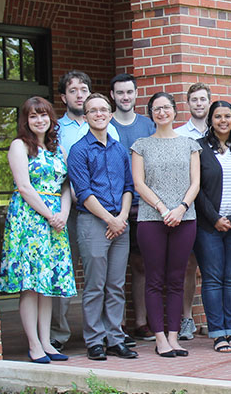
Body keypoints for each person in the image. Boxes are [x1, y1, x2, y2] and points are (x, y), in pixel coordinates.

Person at [0, 96, 75, 363]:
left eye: (43, 115)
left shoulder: (58, 149)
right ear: (26, 121)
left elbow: (66, 185)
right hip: (30, 220)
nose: (39, 120)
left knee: (48, 283)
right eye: (33, 116)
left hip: (56, 219)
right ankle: (34, 344)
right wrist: (50, 214)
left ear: (51, 118)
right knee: (31, 284)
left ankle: (47, 342)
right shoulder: (19, 146)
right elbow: (24, 187)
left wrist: (63, 213)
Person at [51, 70, 120, 352]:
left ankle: (107, 335)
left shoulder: (109, 128)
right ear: (64, 96)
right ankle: (58, 333)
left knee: (106, 278)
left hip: (106, 213)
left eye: (83, 89)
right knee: (67, 272)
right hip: (67, 211)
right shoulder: (57, 129)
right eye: (73, 90)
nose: (79, 95)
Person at [68, 93, 138, 360]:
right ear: (85, 117)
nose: (99, 114)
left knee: (116, 285)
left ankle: (115, 338)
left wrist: (120, 218)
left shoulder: (120, 149)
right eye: (93, 111)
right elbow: (83, 192)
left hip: (120, 222)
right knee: (95, 284)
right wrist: (110, 220)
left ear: (110, 115)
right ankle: (95, 340)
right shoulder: (79, 150)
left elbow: (128, 187)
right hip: (93, 222)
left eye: (103, 110)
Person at [131, 92, 201, 357]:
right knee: (154, 279)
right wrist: (162, 208)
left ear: (174, 111)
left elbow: (195, 182)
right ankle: (159, 338)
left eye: (166, 108)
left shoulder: (189, 144)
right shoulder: (141, 145)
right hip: (152, 219)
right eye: (157, 109)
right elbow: (139, 183)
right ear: (151, 113)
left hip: (185, 218)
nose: (162, 112)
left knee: (177, 279)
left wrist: (181, 208)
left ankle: (174, 336)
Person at [193, 101, 231, 353]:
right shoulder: (198, 149)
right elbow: (196, 189)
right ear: (211, 120)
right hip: (208, 225)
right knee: (212, 278)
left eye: (227, 116)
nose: (222, 121)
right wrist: (215, 218)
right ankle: (218, 334)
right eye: (217, 116)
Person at [108, 73, 156, 344]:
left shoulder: (148, 125)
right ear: (112, 95)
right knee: (111, 270)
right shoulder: (106, 122)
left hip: (144, 207)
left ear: (136, 94)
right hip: (113, 207)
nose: (125, 97)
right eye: (120, 93)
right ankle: (114, 326)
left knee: (141, 266)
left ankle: (141, 321)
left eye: (129, 92)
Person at [176, 82, 212, 341]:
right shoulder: (179, 135)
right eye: (194, 100)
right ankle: (186, 318)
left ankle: (215, 320)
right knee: (188, 265)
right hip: (187, 206)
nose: (199, 104)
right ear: (187, 104)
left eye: (203, 99)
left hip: (212, 206)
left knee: (212, 266)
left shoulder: (221, 129)